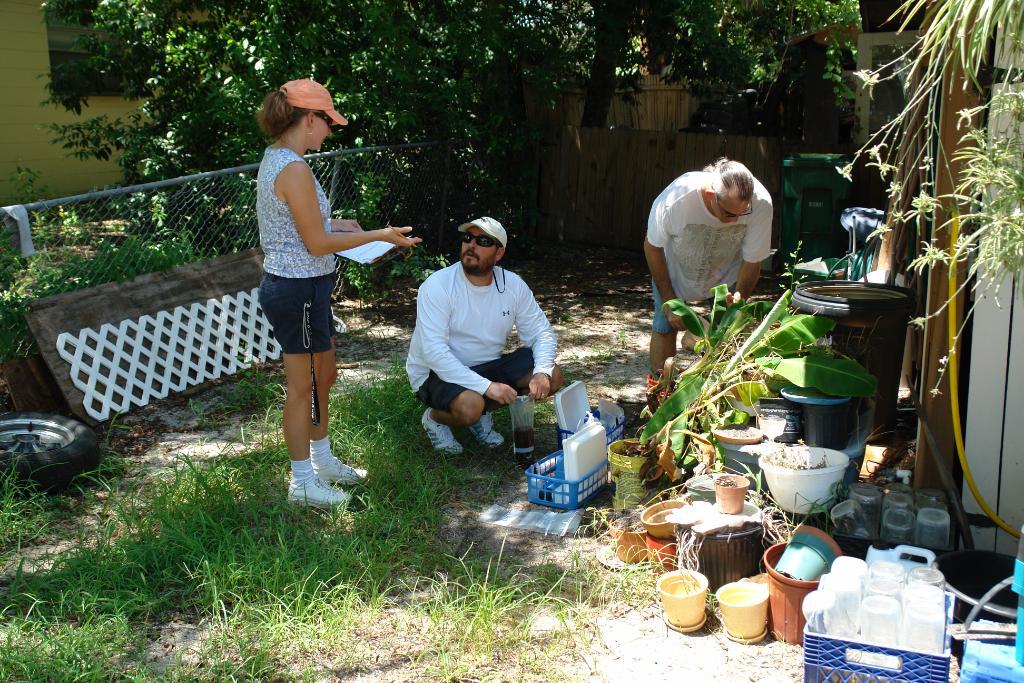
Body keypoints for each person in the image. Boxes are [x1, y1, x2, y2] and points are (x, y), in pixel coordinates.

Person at [256, 78, 421, 508]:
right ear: (309, 119)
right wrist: (378, 234)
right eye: (328, 122)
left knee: (322, 377)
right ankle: (301, 482)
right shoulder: (291, 168)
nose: (330, 131)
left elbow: (309, 226)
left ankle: (322, 460)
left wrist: (346, 228)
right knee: (303, 387)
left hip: (309, 287)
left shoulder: (284, 159)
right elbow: (316, 244)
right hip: (296, 291)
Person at [406, 217, 563, 459]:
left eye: (482, 241)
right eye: (467, 238)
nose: (471, 245)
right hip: (435, 373)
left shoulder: (512, 284)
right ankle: (435, 418)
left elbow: (541, 332)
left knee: (553, 375)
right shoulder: (438, 285)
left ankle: (481, 412)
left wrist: (542, 370)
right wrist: (487, 388)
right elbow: (434, 353)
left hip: (487, 366)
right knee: (471, 407)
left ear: (499, 253)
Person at [644, 158, 772, 375]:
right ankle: (660, 394)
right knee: (665, 326)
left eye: (744, 213)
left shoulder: (760, 203)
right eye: (730, 214)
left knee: (725, 335)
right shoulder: (676, 200)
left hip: (727, 273)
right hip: (676, 268)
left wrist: (740, 298)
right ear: (711, 196)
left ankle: (709, 396)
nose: (736, 220)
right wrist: (669, 301)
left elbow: (753, 261)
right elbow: (652, 247)